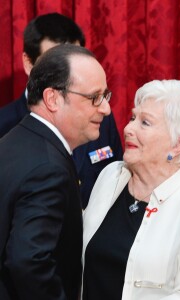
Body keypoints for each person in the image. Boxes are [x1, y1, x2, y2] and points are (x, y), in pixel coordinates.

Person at [82, 79, 180, 300]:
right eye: (133, 118)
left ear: (178, 145)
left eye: (145, 123)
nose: (128, 128)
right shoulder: (111, 175)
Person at [0, 44, 111, 299]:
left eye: (106, 96)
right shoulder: (49, 168)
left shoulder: (13, 141)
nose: (106, 108)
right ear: (52, 99)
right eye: (95, 97)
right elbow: (28, 260)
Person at [0, 13, 123, 208]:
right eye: (56, 65)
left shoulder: (101, 117)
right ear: (28, 63)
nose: (69, 74)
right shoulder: (5, 127)